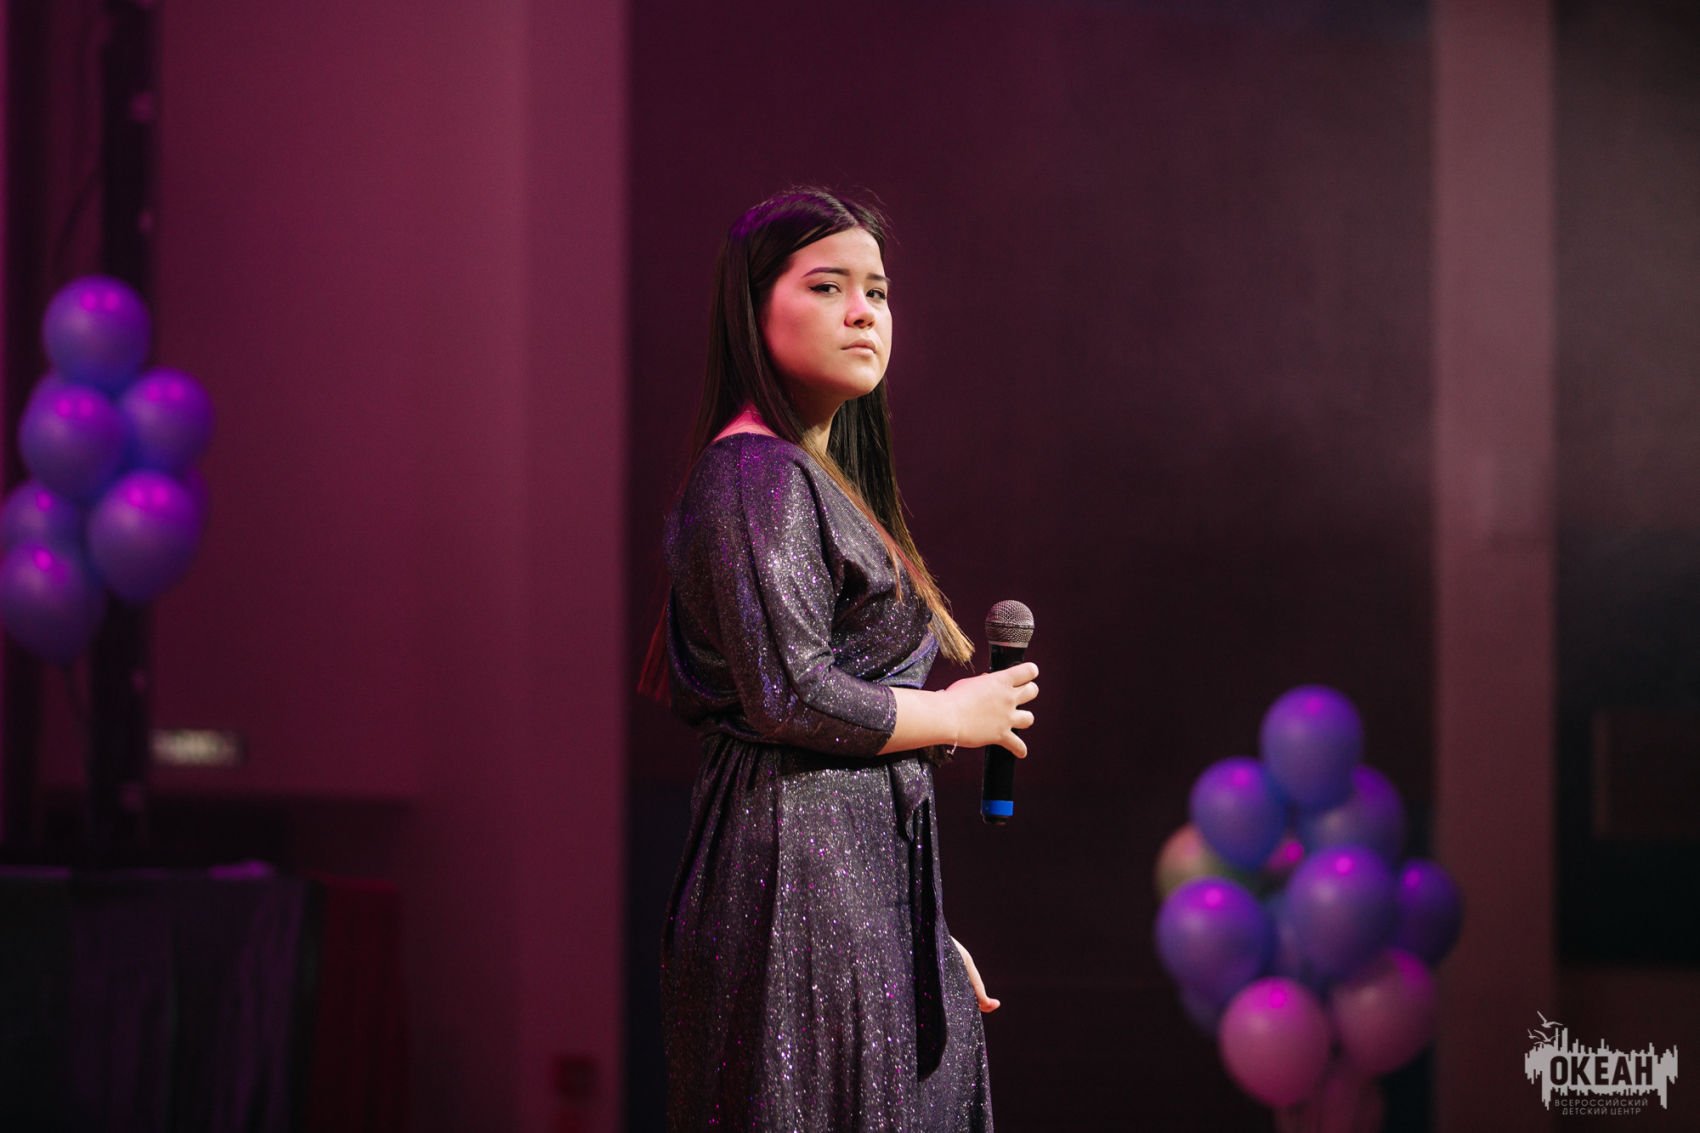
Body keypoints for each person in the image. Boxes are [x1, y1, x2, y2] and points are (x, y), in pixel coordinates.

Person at [644, 187, 1039, 1132]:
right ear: (753, 309)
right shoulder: (753, 473)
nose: (864, 312)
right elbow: (792, 694)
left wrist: (913, 931)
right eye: (828, 286)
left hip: (844, 888)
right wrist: (957, 714)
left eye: (878, 291)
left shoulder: (815, 480)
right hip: (790, 890)